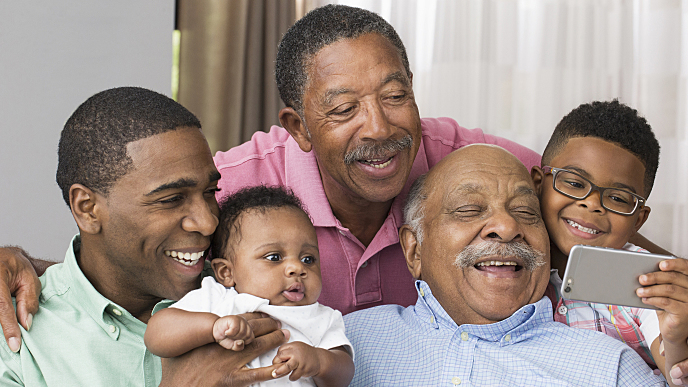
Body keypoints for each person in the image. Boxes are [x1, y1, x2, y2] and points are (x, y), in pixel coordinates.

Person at [0, 2, 677, 374]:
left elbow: (587, 205)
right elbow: (134, 238)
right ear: (296, 125)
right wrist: (31, 266)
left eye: (396, 95)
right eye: (344, 106)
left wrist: (669, 274)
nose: (380, 127)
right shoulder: (235, 187)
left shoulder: (465, 160)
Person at [0, 87, 288, 386]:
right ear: (88, 209)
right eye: (171, 199)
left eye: (210, 192)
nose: (208, 221)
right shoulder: (18, 341)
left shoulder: (252, 289)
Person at [343, 144, 668, 386]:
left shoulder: (612, 369)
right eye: (469, 209)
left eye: (527, 213)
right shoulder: (343, 345)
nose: (507, 227)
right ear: (414, 250)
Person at [532, 100, 688, 385]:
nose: (592, 205)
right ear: (538, 184)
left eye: (617, 198)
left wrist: (675, 336)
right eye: (575, 183)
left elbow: (676, 370)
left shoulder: (644, 278)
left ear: (638, 220)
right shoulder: (512, 261)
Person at [145, 186, 354, 386]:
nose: (297, 268)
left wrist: (319, 362)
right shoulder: (217, 298)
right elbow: (156, 335)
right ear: (227, 273)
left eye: (308, 259)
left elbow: (344, 374)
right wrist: (211, 327)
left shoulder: (321, 317)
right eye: (274, 257)